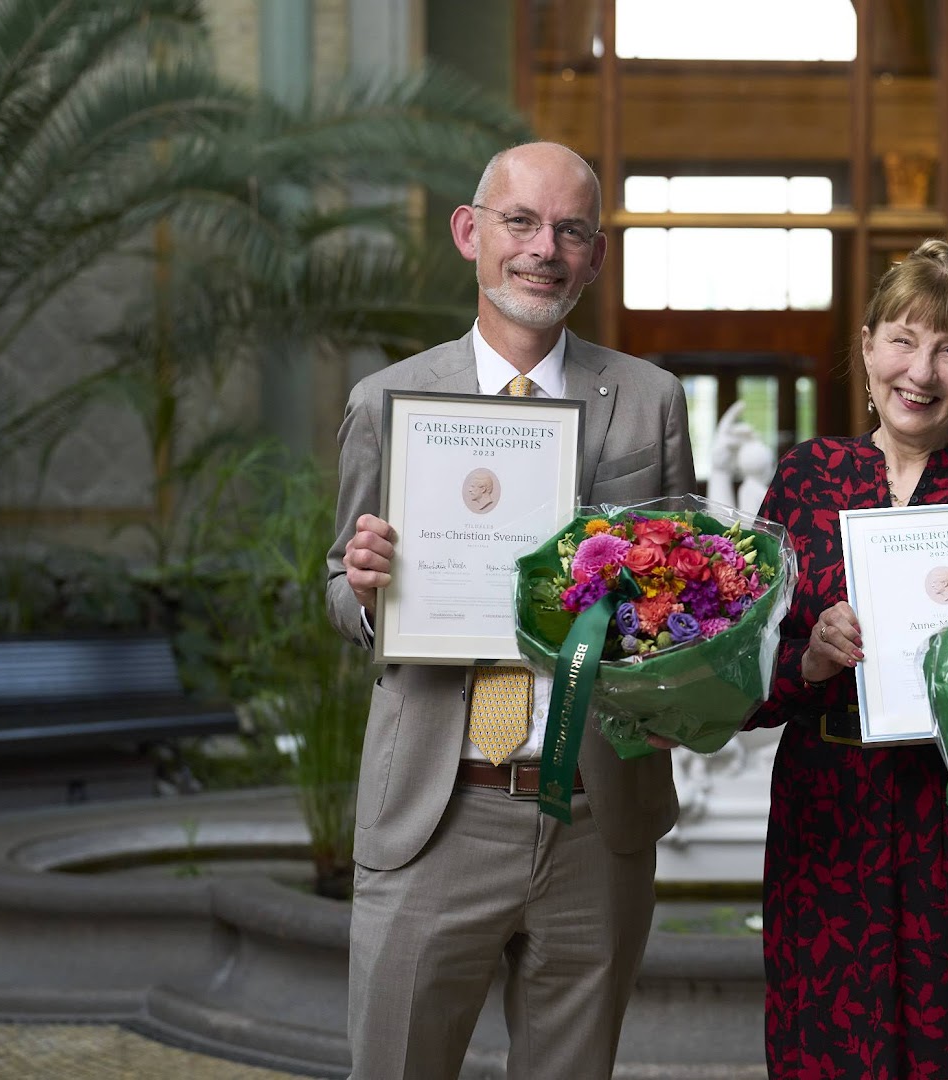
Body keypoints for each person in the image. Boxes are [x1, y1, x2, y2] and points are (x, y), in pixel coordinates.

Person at [325, 141, 694, 1080]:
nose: (543, 249)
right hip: (436, 810)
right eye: (520, 222)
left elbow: (685, 593)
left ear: (596, 256)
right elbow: (338, 583)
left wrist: (680, 650)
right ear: (469, 232)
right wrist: (363, 593)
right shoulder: (389, 402)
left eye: (570, 231)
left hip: (595, 816)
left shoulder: (649, 401)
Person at [751, 239, 948, 1079]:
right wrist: (810, 662)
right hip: (829, 822)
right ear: (866, 347)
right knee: (830, 1052)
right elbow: (744, 682)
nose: (920, 372)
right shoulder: (806, 479)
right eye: (903, 340)